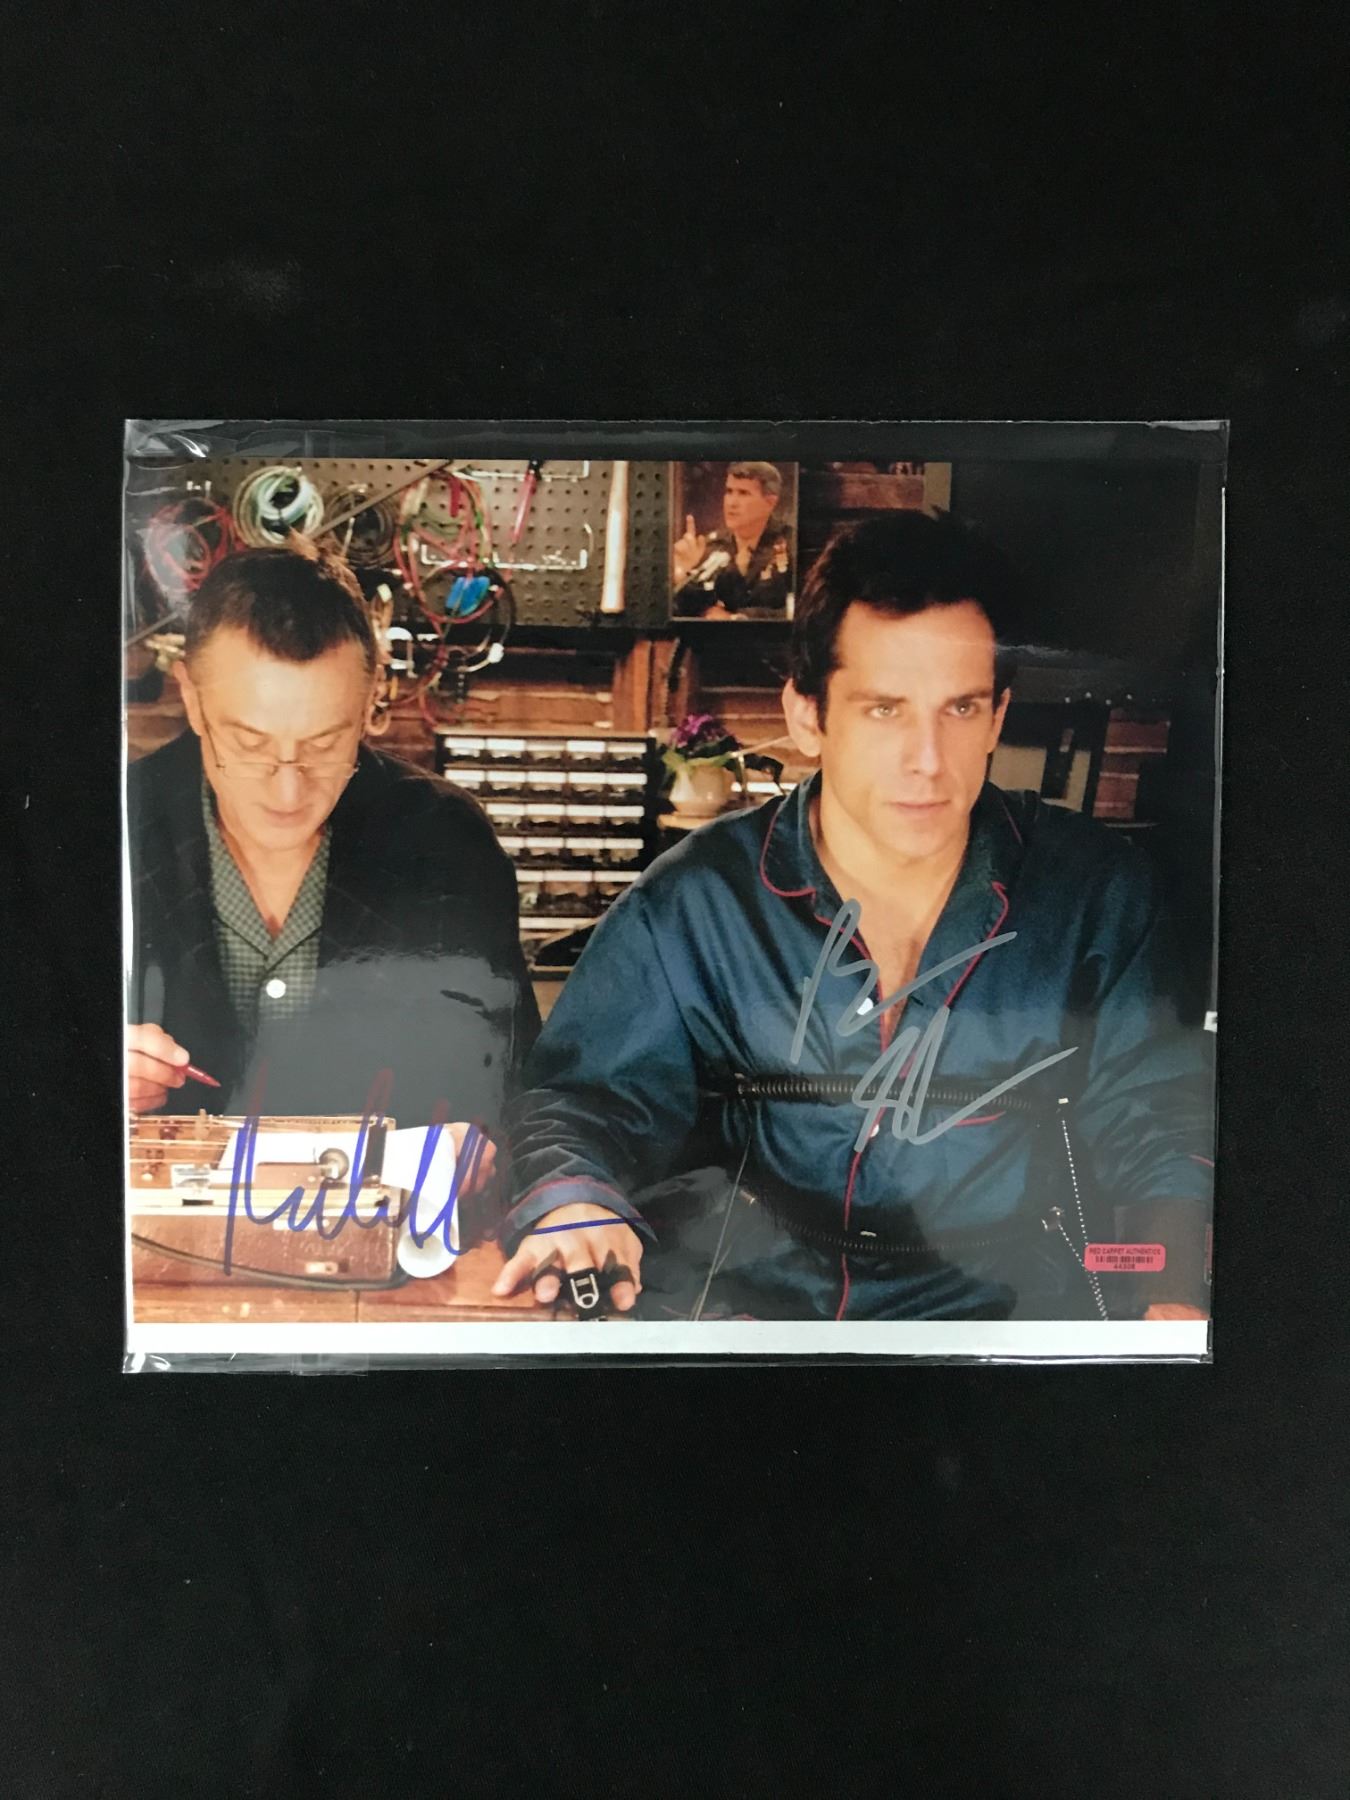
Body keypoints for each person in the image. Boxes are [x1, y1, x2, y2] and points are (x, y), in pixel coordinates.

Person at [496, 511, 1213, 1323]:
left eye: (960, 709)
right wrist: (576, 1202)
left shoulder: (1098, 896)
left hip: (1008, 1322)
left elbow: (1158, 1121)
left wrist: (1170, 1294)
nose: (928, 760)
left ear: (998, 716)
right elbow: (582, 1100)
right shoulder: (694, 903)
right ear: (808, 715)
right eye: (884, 710)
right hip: (748, 1317)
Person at [126, 541, 538, 1145]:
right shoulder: (110, 830)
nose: (289, 791)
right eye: (250, 744)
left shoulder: (445, 842)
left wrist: (480, 1137)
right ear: (192, 698)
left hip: (378, 1200)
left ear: (370, 703)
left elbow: (513, 1083)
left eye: (324, 745)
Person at [673, 460, 793, 618]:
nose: (732, 502)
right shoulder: (711, 547)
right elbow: (682, 610)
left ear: (770, 502)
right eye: (729, 492)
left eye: (743, 493)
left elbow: (800, 609)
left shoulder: (792, 544)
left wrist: (735, 618)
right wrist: (683, 575)